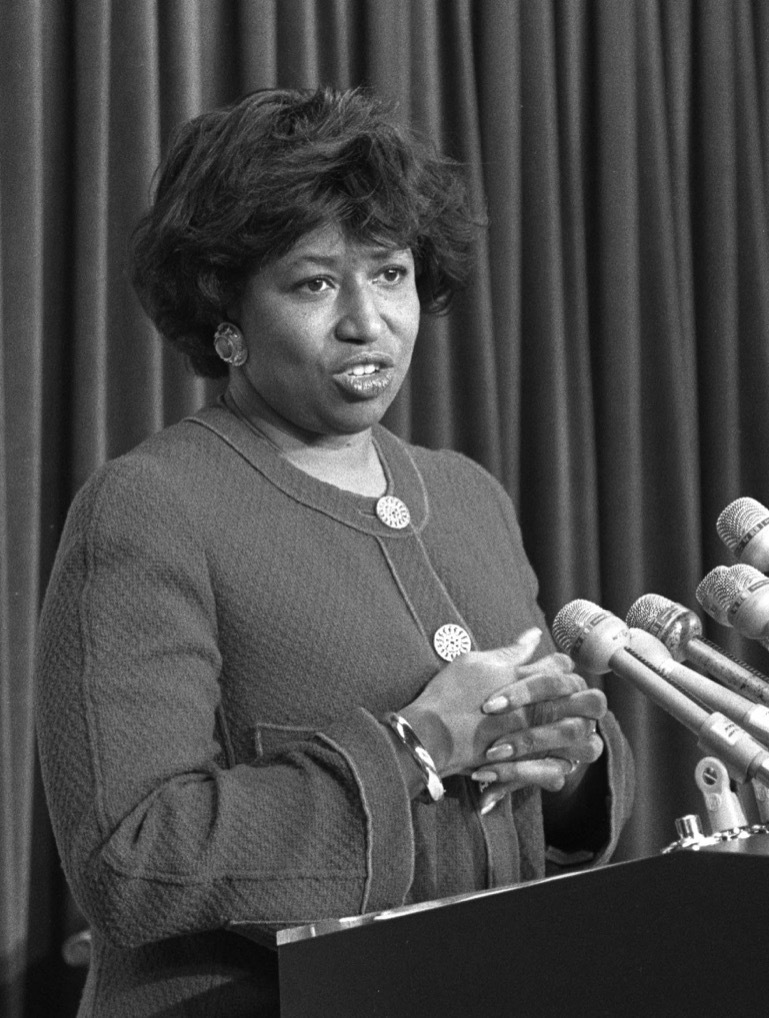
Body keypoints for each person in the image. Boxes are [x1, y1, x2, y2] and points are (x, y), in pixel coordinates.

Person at [35, 86, 635, 1016]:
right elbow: (131, 860)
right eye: (315, 283)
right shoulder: (150, 508)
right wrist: (418, 746)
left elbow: (522, 825)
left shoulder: (468, 496)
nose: (367, 320)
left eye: (390, 273)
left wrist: (566, 766)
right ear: (225, 311)